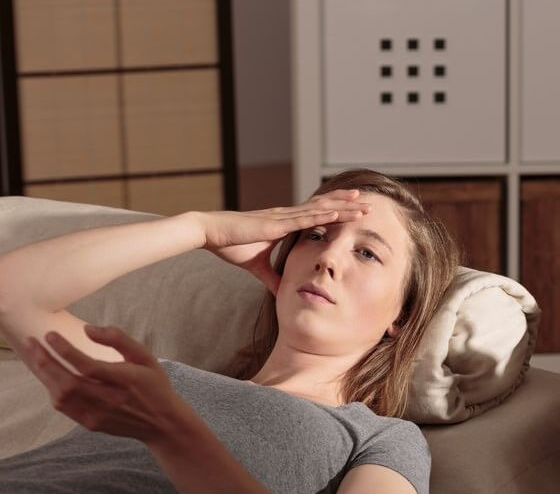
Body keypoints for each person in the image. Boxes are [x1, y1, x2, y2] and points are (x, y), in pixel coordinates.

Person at [0, 169, 459, 493]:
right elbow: (11, 291)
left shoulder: (380, 438)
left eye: (367, 254)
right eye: (314, 236)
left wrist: (171, 431)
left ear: (401, 314)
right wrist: (201, 228)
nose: (328, 258)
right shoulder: (158, 382)